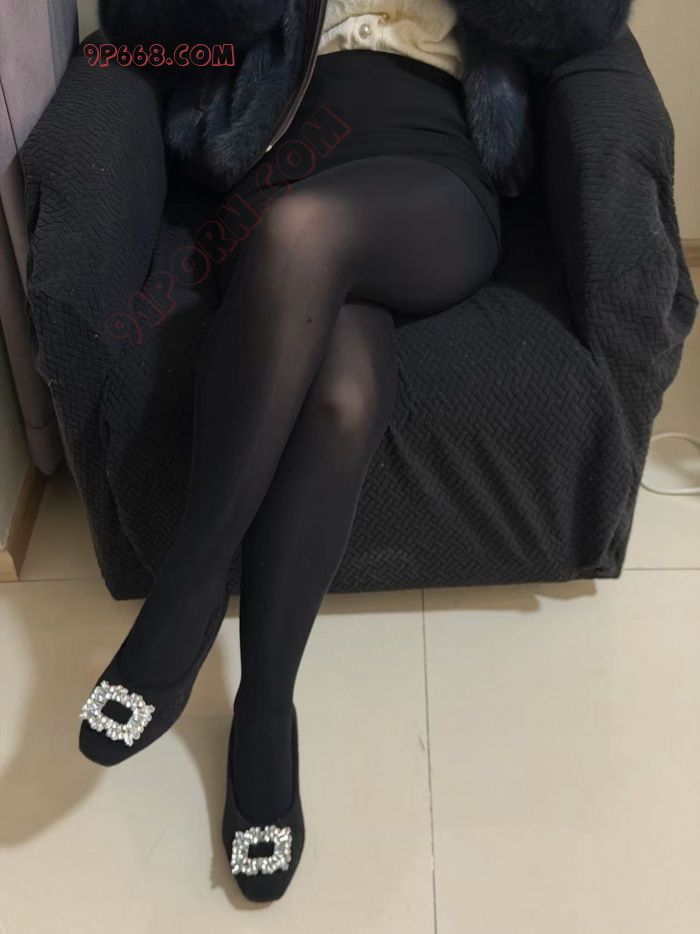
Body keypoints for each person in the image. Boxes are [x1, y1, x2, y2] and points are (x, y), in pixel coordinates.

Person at [79, 0, 633, 902]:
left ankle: (185, 597)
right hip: (284, 156)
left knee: (306, 233)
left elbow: (589, 20)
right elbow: (139, 21)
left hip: (432, 172)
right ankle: (265, 711)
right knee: (343, 397)